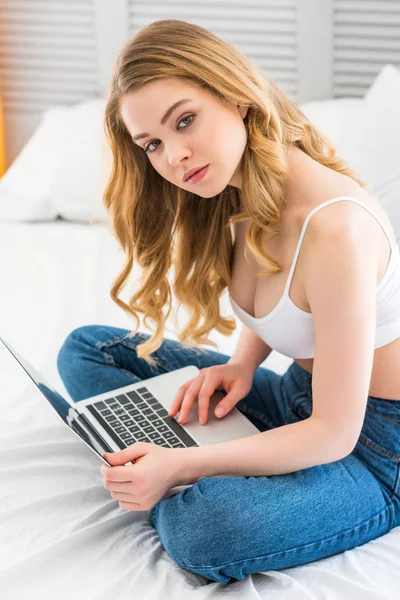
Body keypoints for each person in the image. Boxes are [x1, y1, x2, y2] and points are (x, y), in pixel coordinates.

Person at [56, 19, 400, 584]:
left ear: (237, 96)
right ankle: (167, 454)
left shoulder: (338, 230)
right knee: (89, 350)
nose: (173, 157)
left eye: (184, 120)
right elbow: (288, 298)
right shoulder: (238, 191)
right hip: (298, 396)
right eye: (153, 145)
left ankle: (168, 464)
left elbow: (335, 432)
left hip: (370, 448)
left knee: (207, 530)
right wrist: (243, 363)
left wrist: (185, 465)